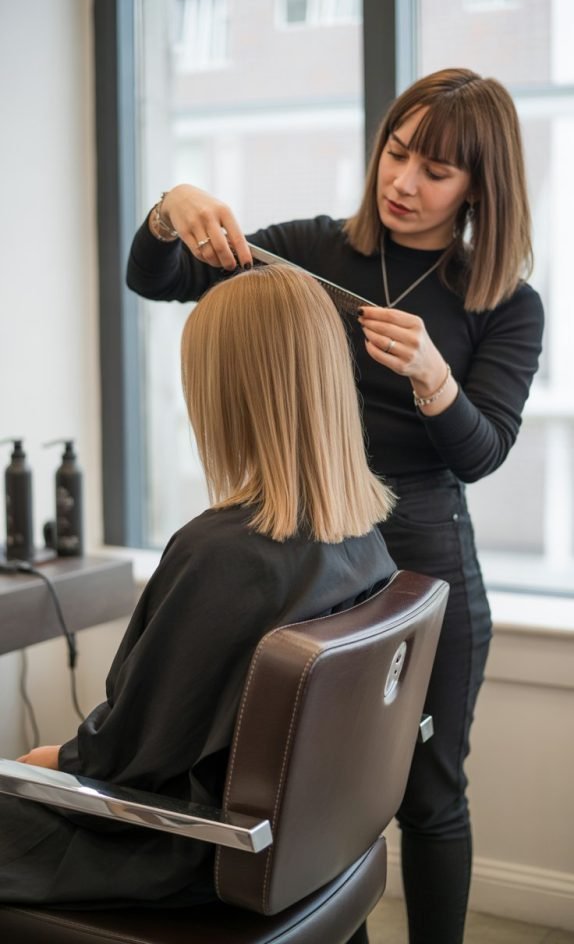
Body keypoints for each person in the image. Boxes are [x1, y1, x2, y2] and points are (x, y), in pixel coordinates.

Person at [125, 68, 545, 944]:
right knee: (311, 805)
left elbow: (485, 453)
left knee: (432, 800)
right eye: (397, 153)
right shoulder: (314, 251)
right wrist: (171, 211)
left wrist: (435, 379)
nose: (403, 182)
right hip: (312, 562)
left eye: (435, 171)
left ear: (479, 186)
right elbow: (158, 279)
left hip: (425, 569)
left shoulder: (503, 305)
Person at [0, 265, 396, 907]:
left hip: (186, 854)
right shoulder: (363, 542)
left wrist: (45, 761)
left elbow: (120, 764)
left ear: (228, 392)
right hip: (304, 847)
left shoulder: (224, 556)